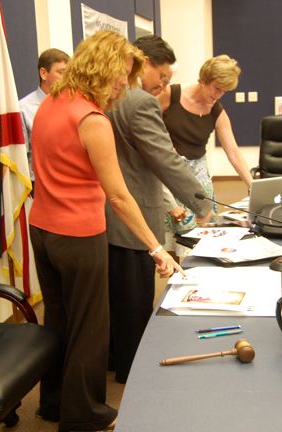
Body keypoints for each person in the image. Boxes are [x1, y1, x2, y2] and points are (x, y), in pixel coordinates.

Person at [29, 30, 183, 432]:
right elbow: (118, 196)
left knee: (59, 320)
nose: (122, 85)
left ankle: (53, 404)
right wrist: (155, 247)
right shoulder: (91, 118)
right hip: (78, 236)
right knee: (90, 328)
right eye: (120, 75)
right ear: (101, 67)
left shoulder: (51, 101)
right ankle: (86, 415)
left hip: (42, 230)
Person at [104, 35, 213, 384]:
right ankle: (133, 377)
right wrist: (202, 202)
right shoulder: (139, 102)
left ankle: (113, 361)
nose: (163, 85)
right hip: (134, 217)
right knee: (134, 306)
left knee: (114, 302)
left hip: (104, 215)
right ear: (144, 62)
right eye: (162, 77)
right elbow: (166, 161)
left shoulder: (105, 98)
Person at [157, 55, 253, 252]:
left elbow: (233, 152)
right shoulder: (171, 94)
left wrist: (253, 185)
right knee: (172, 244)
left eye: (224, 91)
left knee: (203, 243)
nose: (218, 95)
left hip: (199, 178)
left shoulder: (216, 110)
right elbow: (146, 125)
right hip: (170, 174)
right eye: (216, 88)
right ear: (203, 79)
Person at [19, 48, 70, 191]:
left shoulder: (71, 106)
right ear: (43, 73)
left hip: (68, 183)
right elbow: (20, 156)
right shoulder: (24, 109)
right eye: (60, 73)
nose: (66, 79)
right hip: (39, 186)